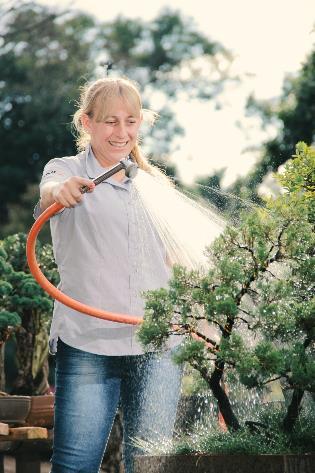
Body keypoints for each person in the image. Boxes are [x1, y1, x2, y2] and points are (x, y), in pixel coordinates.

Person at [36, 77, 183, 473]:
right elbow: (50, 189)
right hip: (88, 342)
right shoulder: (65, 170)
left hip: (157, 345)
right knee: (75, 464)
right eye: (110, 122)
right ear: (87, 122)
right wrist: (60, 191)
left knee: (150, 466)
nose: (122, 133)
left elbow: (174, 264)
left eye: (131, 121)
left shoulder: (153, 184)